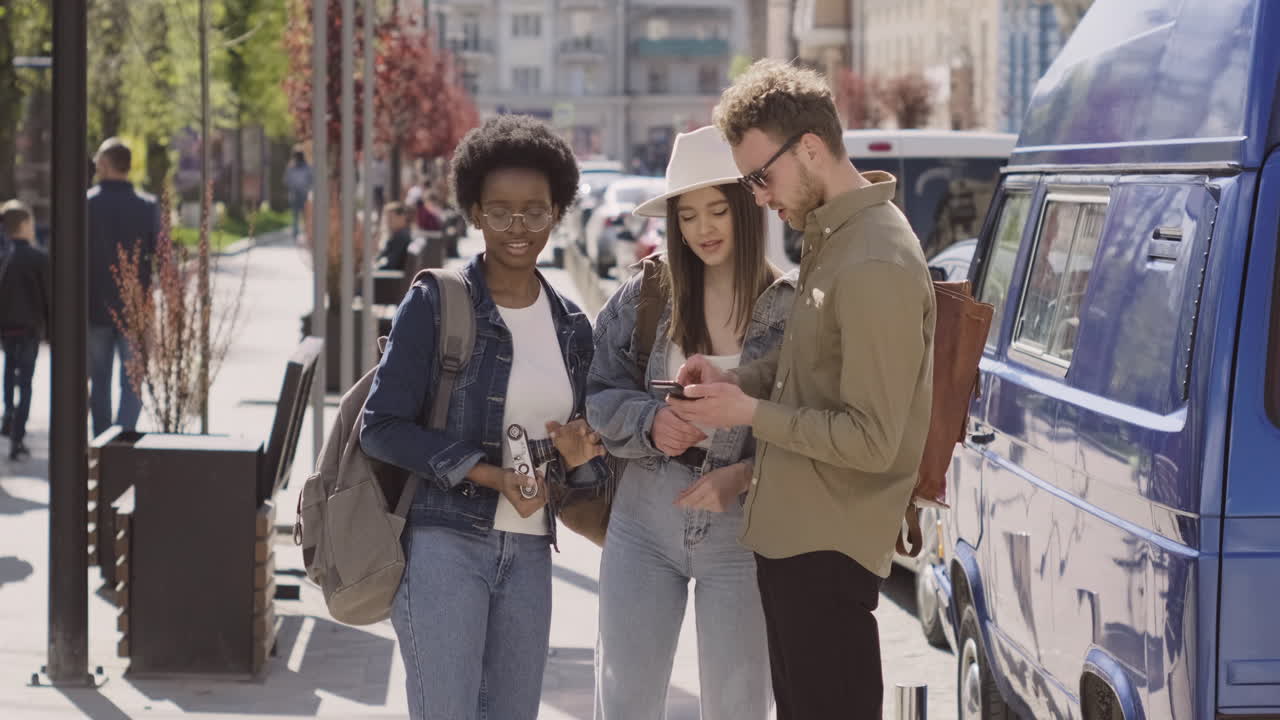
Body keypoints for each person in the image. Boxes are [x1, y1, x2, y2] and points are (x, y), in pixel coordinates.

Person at [668, 59, 937, 719]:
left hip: (828, 553)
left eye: (762, 175)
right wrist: (729, 378)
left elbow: (872, 440)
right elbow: (807, 373)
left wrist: (749, 411)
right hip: (799, 546)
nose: (757, 196)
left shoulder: (872, 258)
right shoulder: (836, 239)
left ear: (811, 148)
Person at [360, 114, 610, 720]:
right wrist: (488, 475)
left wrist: (578, 462)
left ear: (558, 212)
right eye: (499, 210)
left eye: (535, 211)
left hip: (528, 557)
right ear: (473, 211)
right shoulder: (437, 302)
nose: (517, 227)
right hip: (444, 547)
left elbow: (577, 478)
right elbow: (381, 426)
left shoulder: (572, 327)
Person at [586, 126, 793, 720]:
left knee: (739, 706)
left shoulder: (791, 308)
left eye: (718, 210)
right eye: (688, 215)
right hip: (643, 517)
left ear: (748, 209)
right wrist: (650, 422)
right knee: (624, 702)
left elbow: (809, 425)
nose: (703, 229)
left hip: (742, 531)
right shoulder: (648, 292)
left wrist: (745, 474)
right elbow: (598, 390)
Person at [88, 138, 159, 437]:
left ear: (105, 165)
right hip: (134, 307)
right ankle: (123, 437)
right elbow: (161, 255)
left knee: (99, 380)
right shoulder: (147, 206)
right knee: (133, 381)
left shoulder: (87, 204)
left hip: (94, 305)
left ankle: (102, 444)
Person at [0, 201, 51, 461]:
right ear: (24, 226)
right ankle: (18, 435)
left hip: (7, 328)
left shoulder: (4, 256)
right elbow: (47, 296)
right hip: (30, 327)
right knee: (26, 381)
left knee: (9, 372)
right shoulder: (38, 258)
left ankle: (8, 412)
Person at [376, 202, 413, 271]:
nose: (387, 221)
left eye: (390, 218)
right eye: (386, 218)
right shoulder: (397, 234)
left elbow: (390, 264)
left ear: (402, 217)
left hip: (391, 278)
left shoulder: (401, 237)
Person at [285, 151, 313, 239]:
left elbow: (311, 180)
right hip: (294, 193)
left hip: (303, 192)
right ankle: (296, 232)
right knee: (295, 214)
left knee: (304, 214)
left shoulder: (306, 168)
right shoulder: (291, 168)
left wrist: (307, 187)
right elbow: (286, 180)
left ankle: (305, 232)